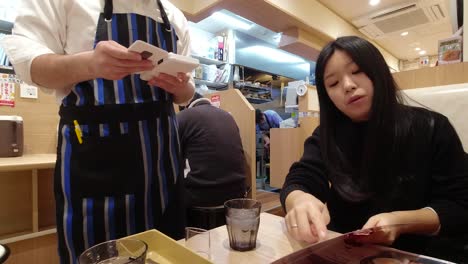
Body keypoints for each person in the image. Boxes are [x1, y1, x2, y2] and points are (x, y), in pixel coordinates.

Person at [2, 0, 194, 262]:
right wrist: (90, 65)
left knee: (167, 255)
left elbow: (186, 94)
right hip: (96, 159)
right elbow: (28, 64)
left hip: (163, 165)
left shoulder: (173, 15)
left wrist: (179, 86)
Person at [280, 36, 468, 261]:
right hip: (345, 253)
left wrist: (401, 221)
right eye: (333, 83)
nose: (348, 85)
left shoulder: (432, 127)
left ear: (378, 71)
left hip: (417, 253)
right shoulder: (326, 135)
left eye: (357, 71)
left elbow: (459, 206)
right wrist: (299, 199)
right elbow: (301, 178)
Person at [177, 93, 246, 229]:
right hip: (237, 195)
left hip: (200, 200)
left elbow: (170, 158)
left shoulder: (183, 117)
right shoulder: (229, 117)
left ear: (185, 105)